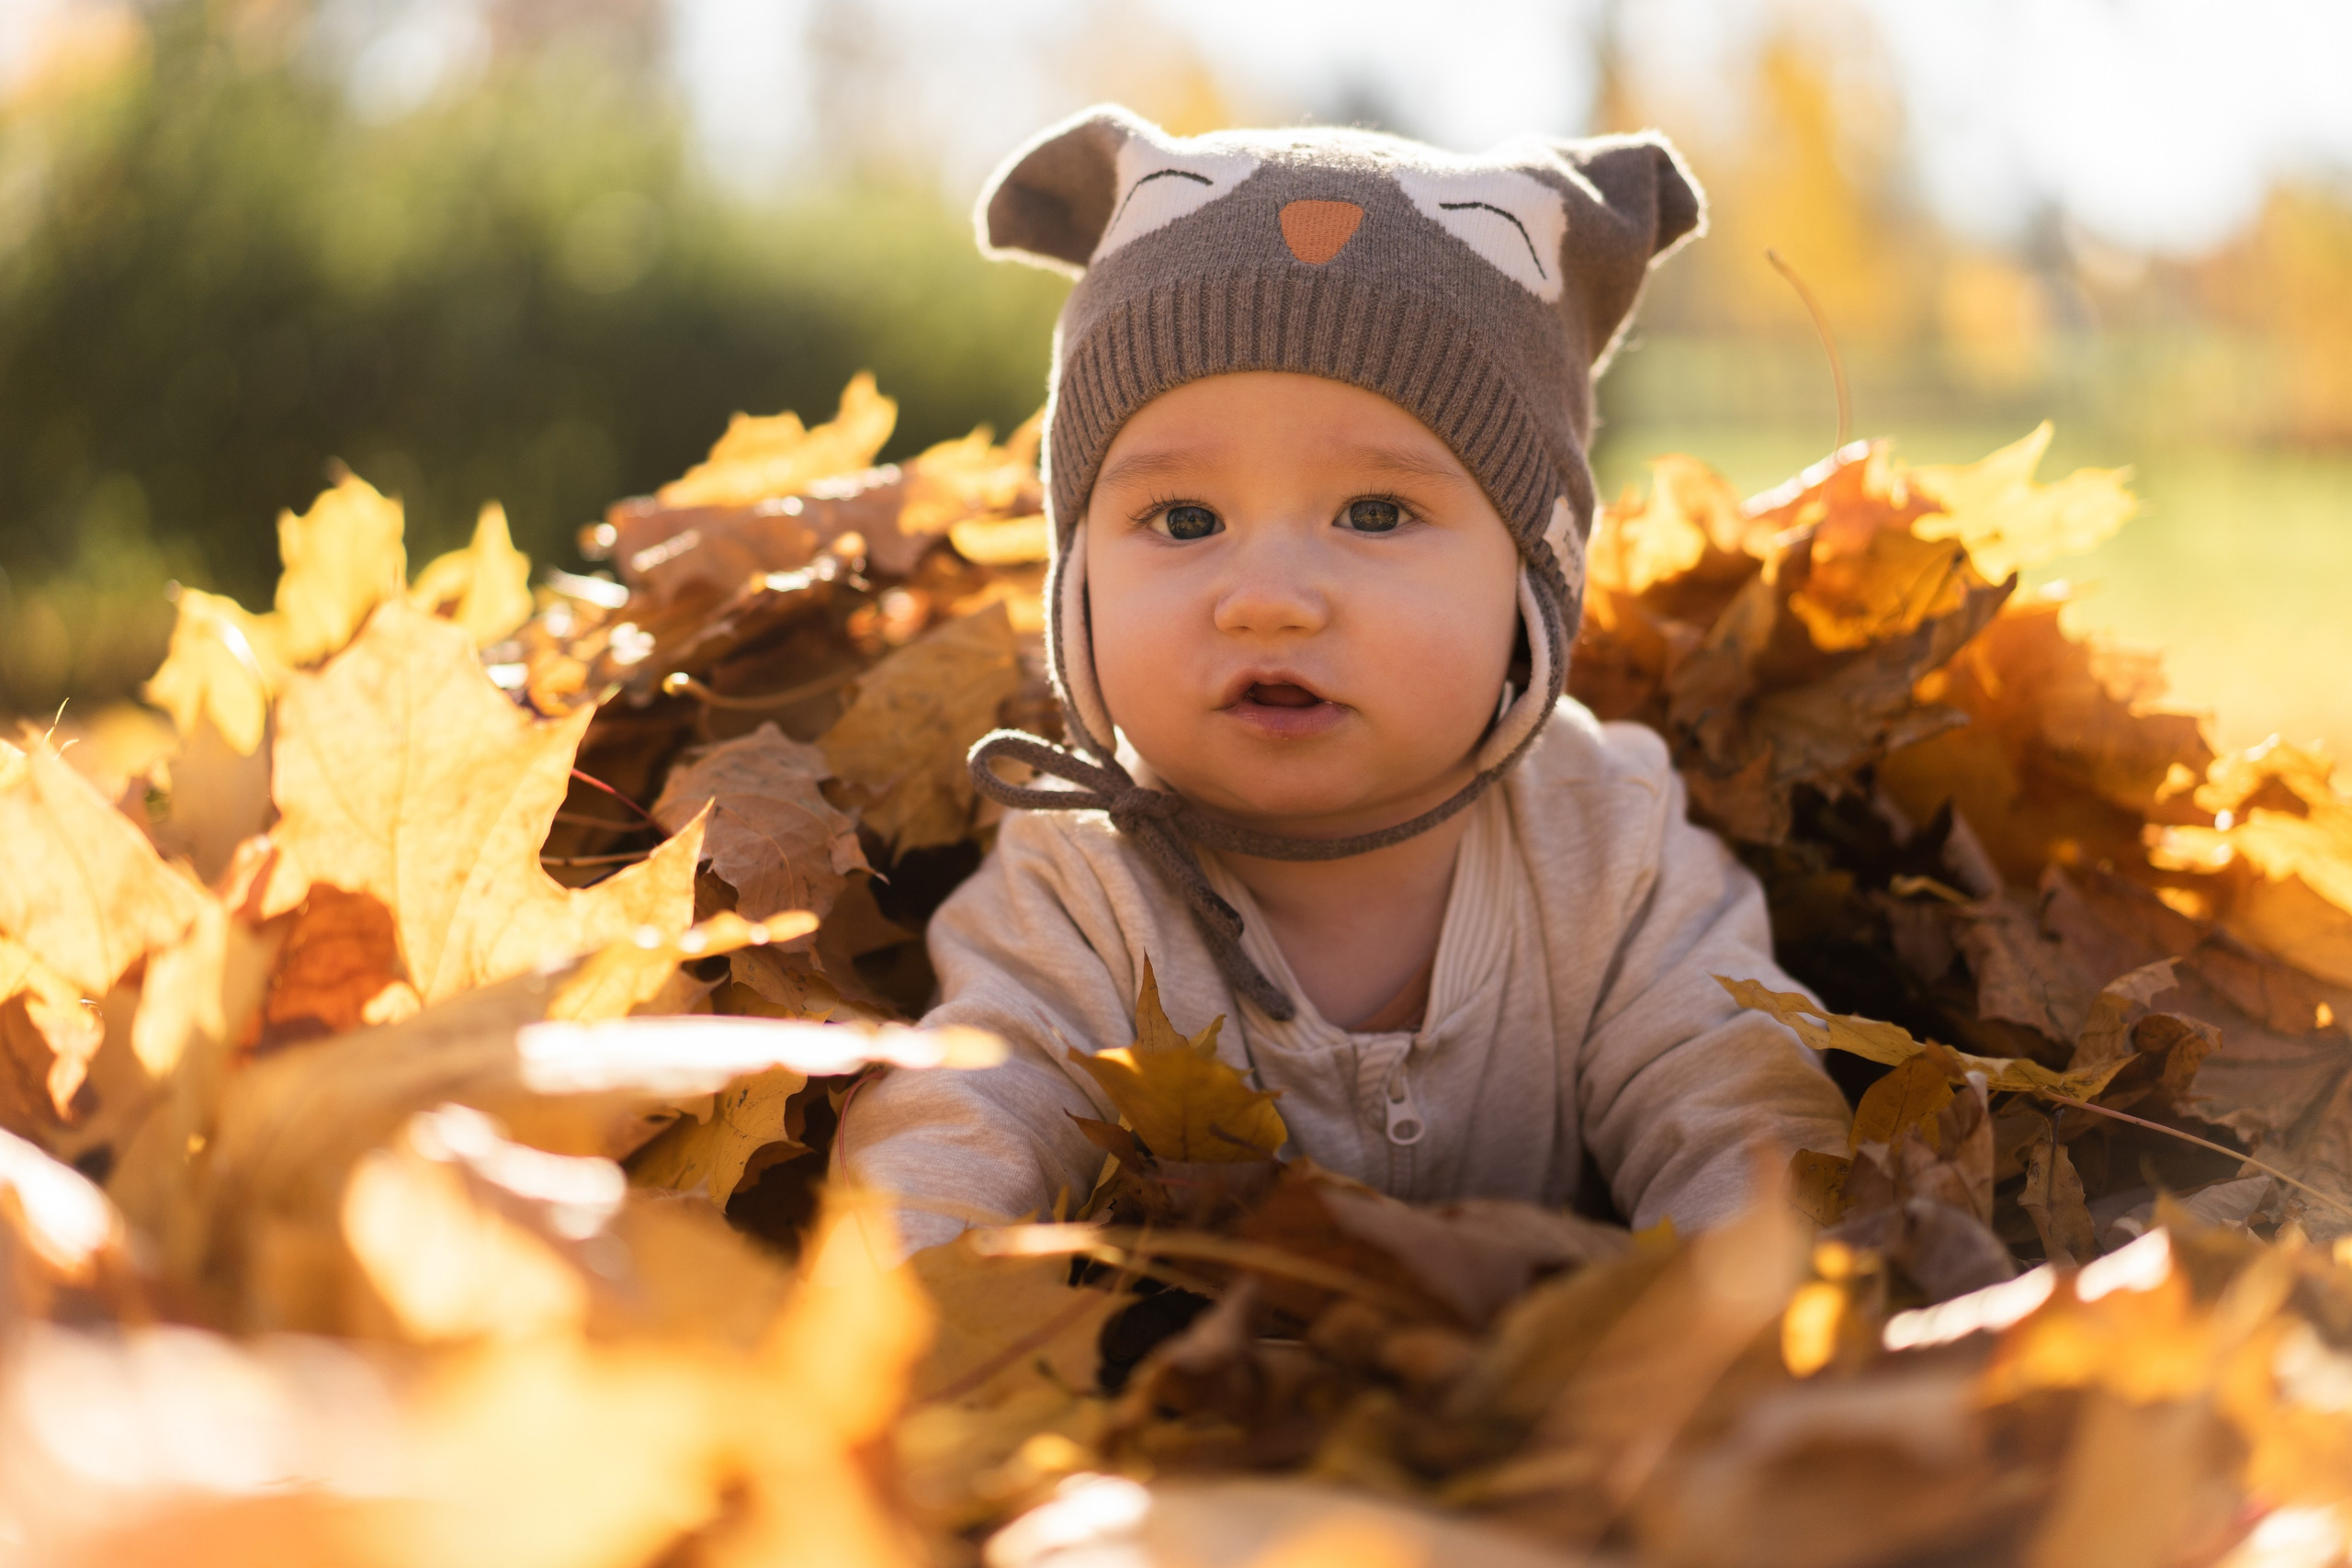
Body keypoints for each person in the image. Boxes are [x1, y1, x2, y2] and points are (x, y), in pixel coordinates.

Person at [839, 105, 1851, 1252]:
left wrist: (1747, 1316)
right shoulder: (1078, 884)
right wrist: (904, 1310)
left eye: (1376, 514)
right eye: (1181, 518)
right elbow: (971, 1110)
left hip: (1551, 1401)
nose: (1267, 595)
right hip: (1187, 1418)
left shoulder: (1611, 849)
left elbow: (1735, 1109)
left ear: (1531, 583)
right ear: (1076, 584)